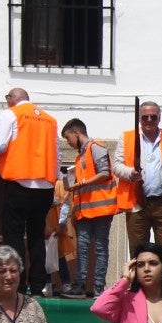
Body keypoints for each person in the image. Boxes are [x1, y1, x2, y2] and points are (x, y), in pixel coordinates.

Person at [0, 88, 60, 295]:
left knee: (14, 235)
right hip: (45, 185)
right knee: (37, 237)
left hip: (19, 182)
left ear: (11, 99)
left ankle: (18, 283)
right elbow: (58, 154)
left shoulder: (10, 114)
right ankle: (37, 285)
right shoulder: (49, 120)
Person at [114, 101, 162, 253]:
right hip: (137, 203)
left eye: (153, 117)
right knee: (138, 253)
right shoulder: (127, 137)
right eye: (145, 117)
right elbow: (117, 166)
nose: (149, 120)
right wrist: (130, 173)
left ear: (159, 118)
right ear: (139, 119)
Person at [61, 118, 118, 298]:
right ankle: (80, 285)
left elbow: (105, 173)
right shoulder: (80, 157)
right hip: (85, 211)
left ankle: (99, 286)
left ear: (76, 133)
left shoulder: (96, 147)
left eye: (68, 138)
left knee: (100, 248)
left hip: (101, 209)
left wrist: (81, 183)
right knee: (83, 248)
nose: (68, 143)